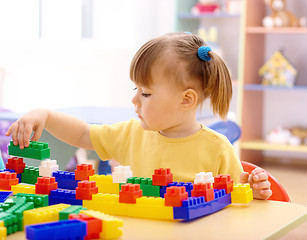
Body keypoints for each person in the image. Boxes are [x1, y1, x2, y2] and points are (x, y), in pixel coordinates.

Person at [6, 32, 271, 200]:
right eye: (136, 89)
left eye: (145, 93)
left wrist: (255, 191)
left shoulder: (217, 149)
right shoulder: (131, 134)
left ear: (186, 99)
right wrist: (46, 114)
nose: (134, 99)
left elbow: (237, 200)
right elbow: (83, 133)